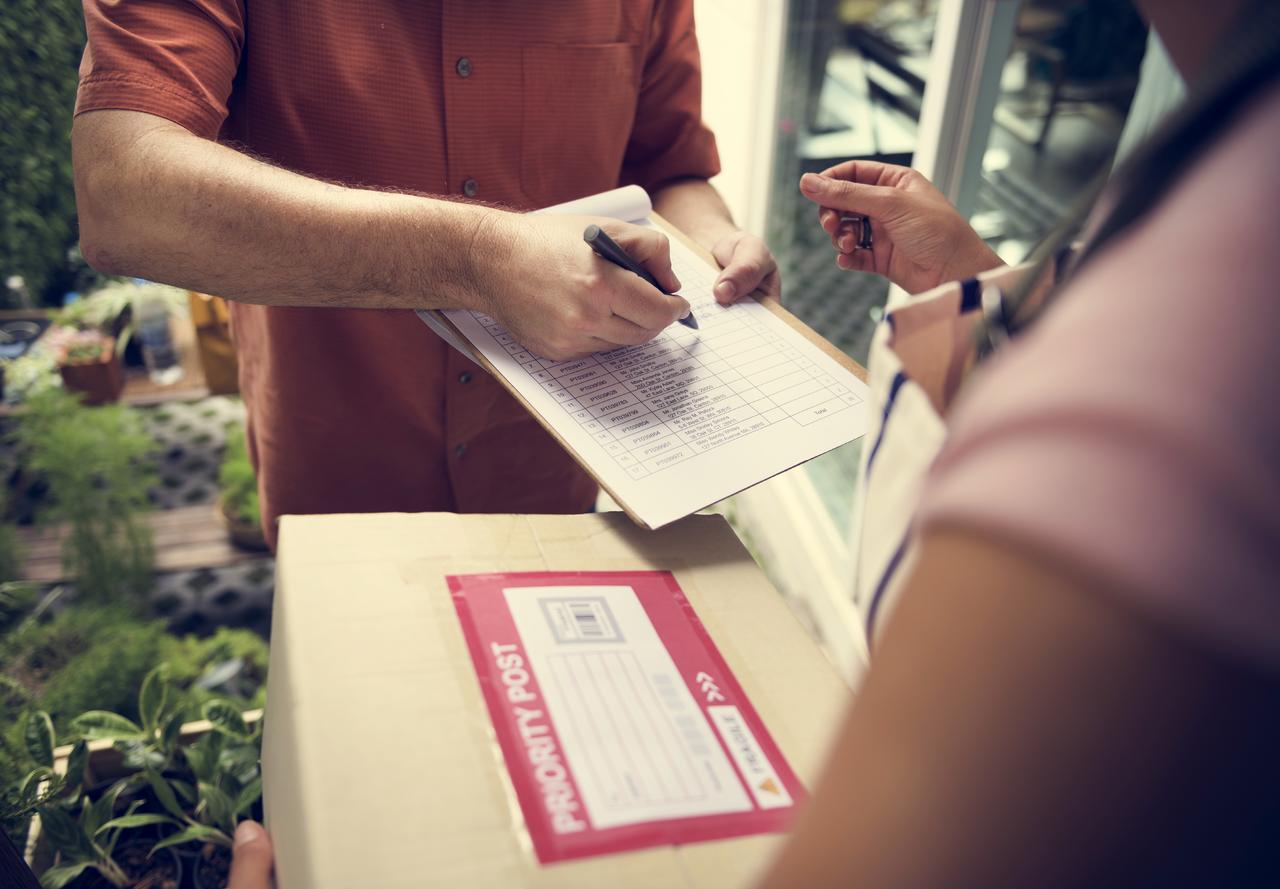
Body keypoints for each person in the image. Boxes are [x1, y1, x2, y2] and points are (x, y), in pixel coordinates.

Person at [225, 0, 1280, 885]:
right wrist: (972, 274)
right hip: (343, 466)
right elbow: (127, 178)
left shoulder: (1201, 319)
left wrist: (709, 242)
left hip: (562, 491)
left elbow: (668, 163)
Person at [72, 2, 779, 548]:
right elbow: (123, 193)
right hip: (342, 487)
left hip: (560, 470)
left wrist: (711, 239)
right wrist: (479, 258)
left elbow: (669, 168)